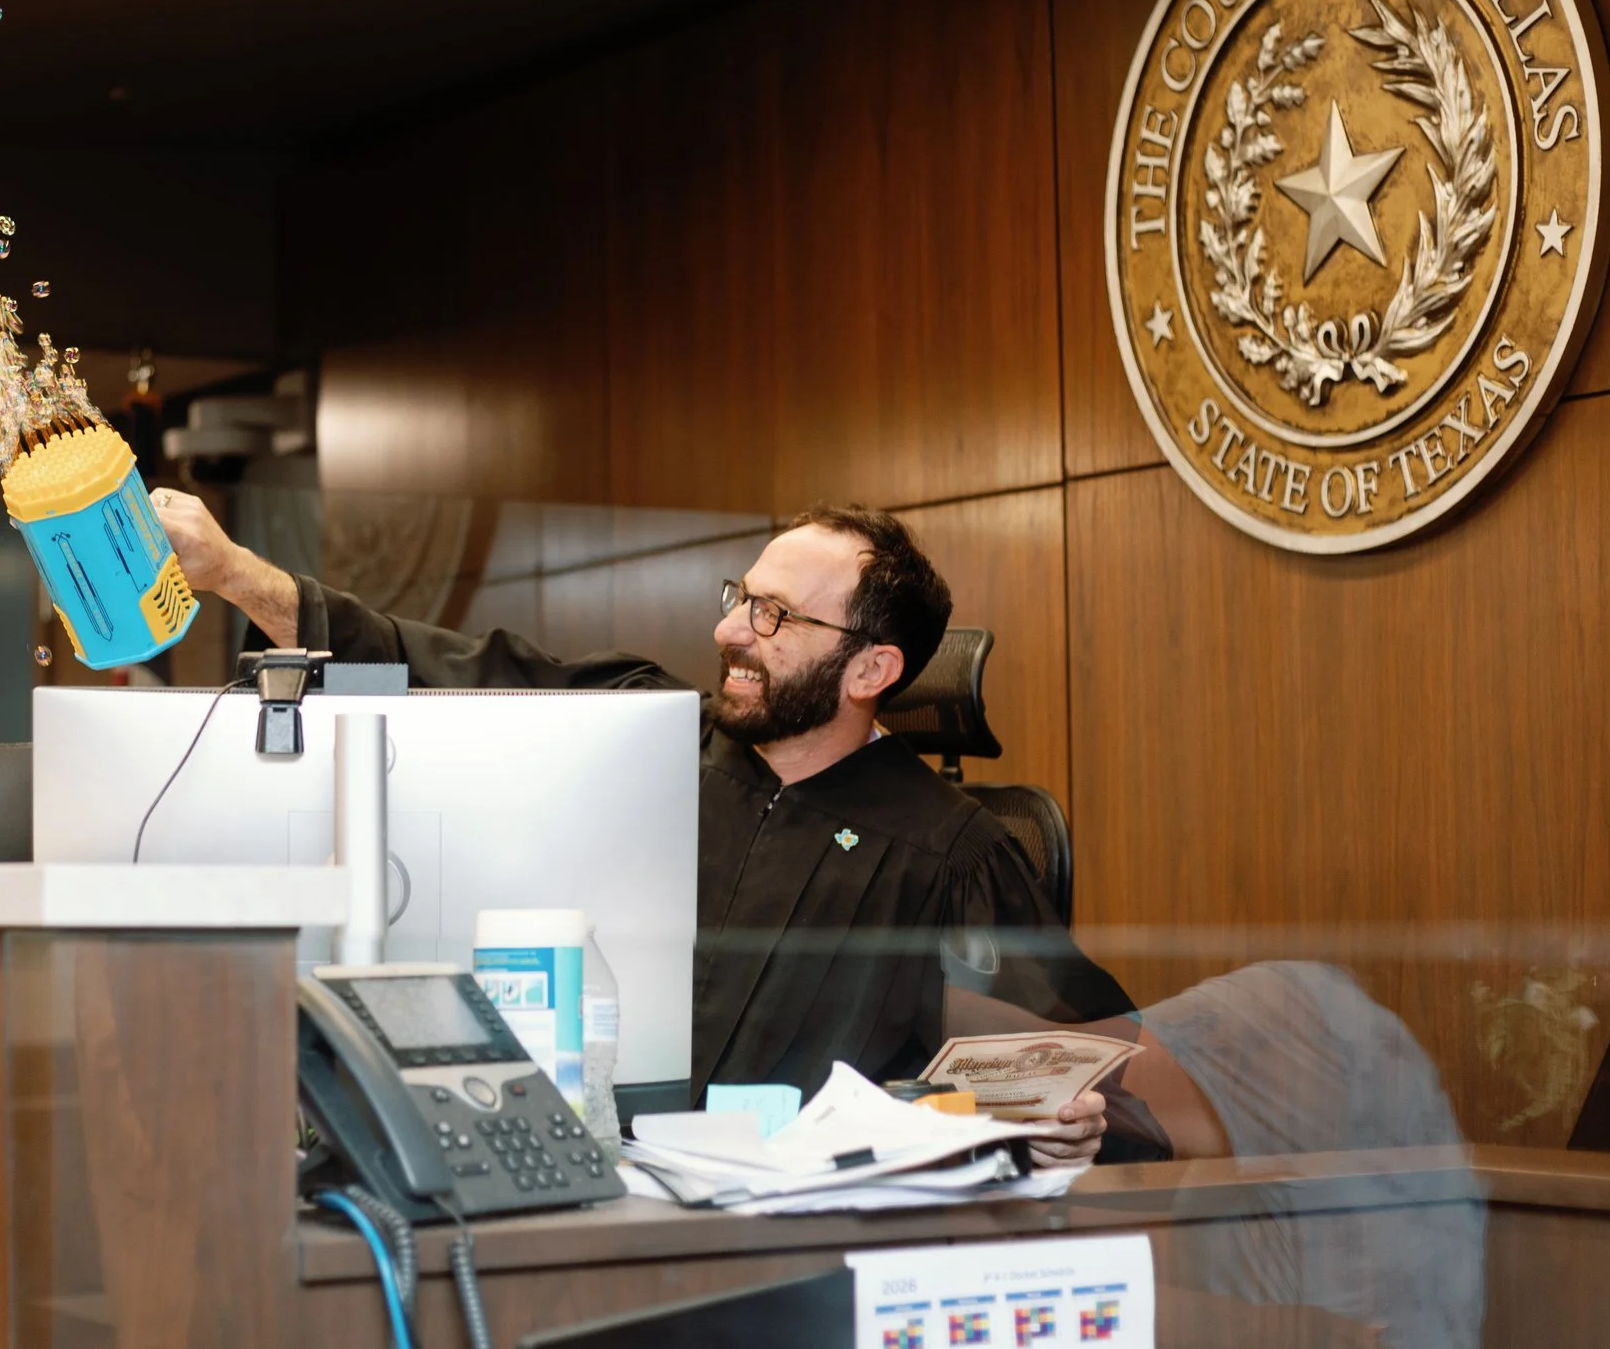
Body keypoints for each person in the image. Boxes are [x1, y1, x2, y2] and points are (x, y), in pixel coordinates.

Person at [154, 491, 1133, 1164]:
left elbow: (1092, 1068)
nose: (729, 630)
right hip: (588, 1189)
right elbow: (453, 669)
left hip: (803, 1252)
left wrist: (1070, 1124)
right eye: (738, 597)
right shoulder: (647, 733)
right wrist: (238, 574)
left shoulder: (949, 853)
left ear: (871, 669)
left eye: (774, 614)